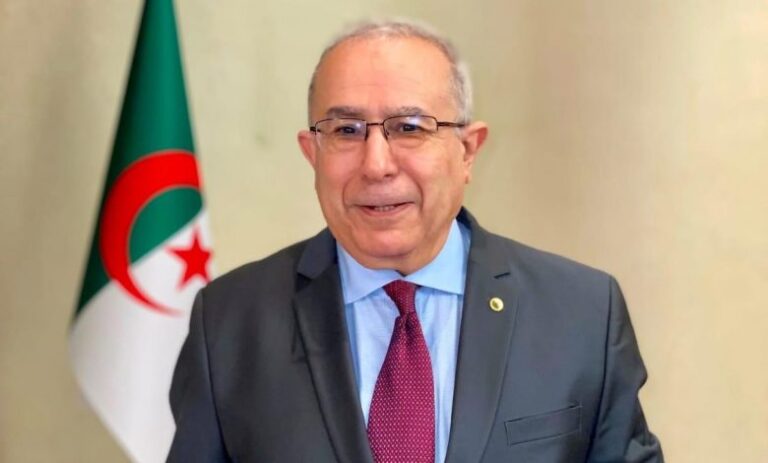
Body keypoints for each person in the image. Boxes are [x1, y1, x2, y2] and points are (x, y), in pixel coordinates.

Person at [167, 19, 663, 463]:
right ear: (312, 152)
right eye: (346, 130)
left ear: (467, 151)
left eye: (408, 128)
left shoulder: (582, 314)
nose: (376, 164)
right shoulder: (229, 322)